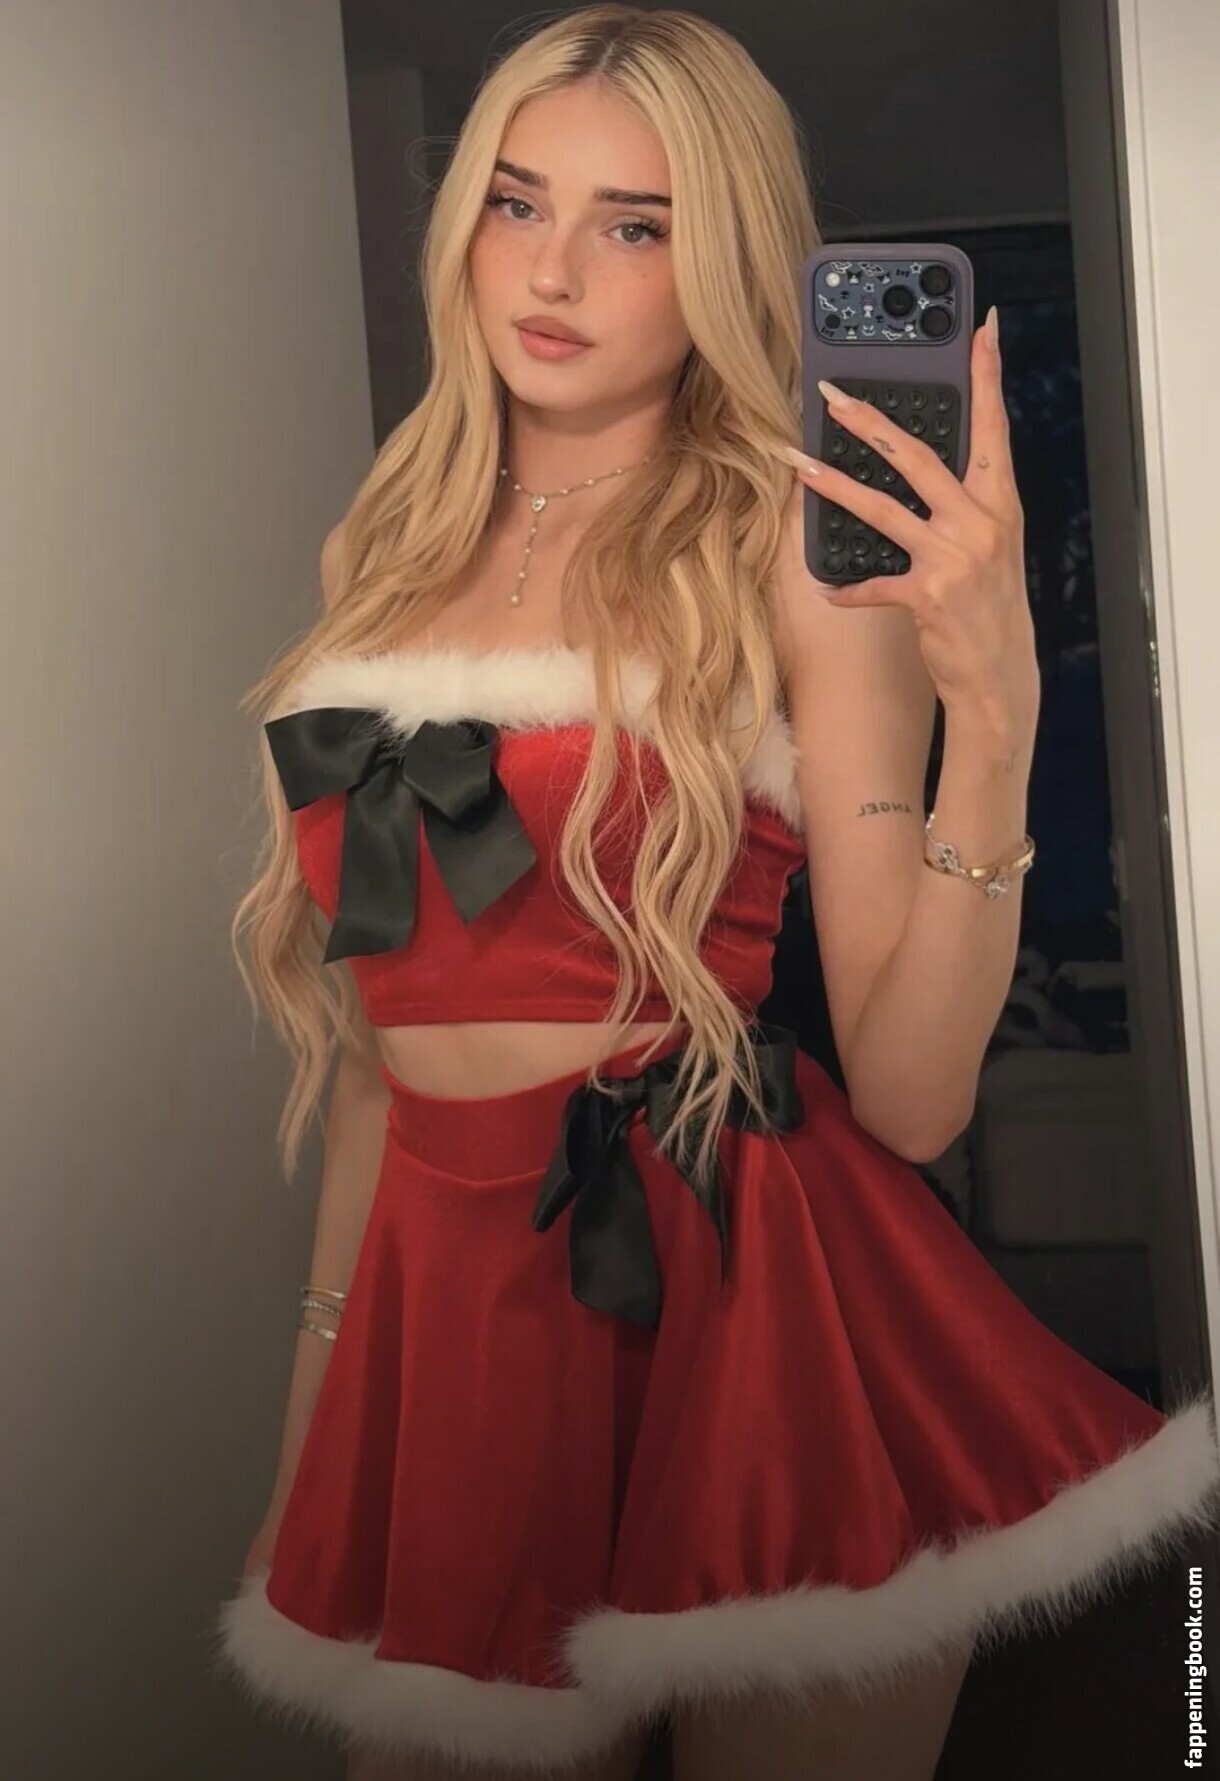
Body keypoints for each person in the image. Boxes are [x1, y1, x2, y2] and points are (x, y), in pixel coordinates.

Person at [211, 8, 1220, 1779]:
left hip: (748, 1304)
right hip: (454, 1323)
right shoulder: (380, 551)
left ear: (725, 261)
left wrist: (995, 716)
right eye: (518, 201)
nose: (554, 271)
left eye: (637, 224)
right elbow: (383, 1052)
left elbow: (911, 1094)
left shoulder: (797, 555)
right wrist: (320, 1427)